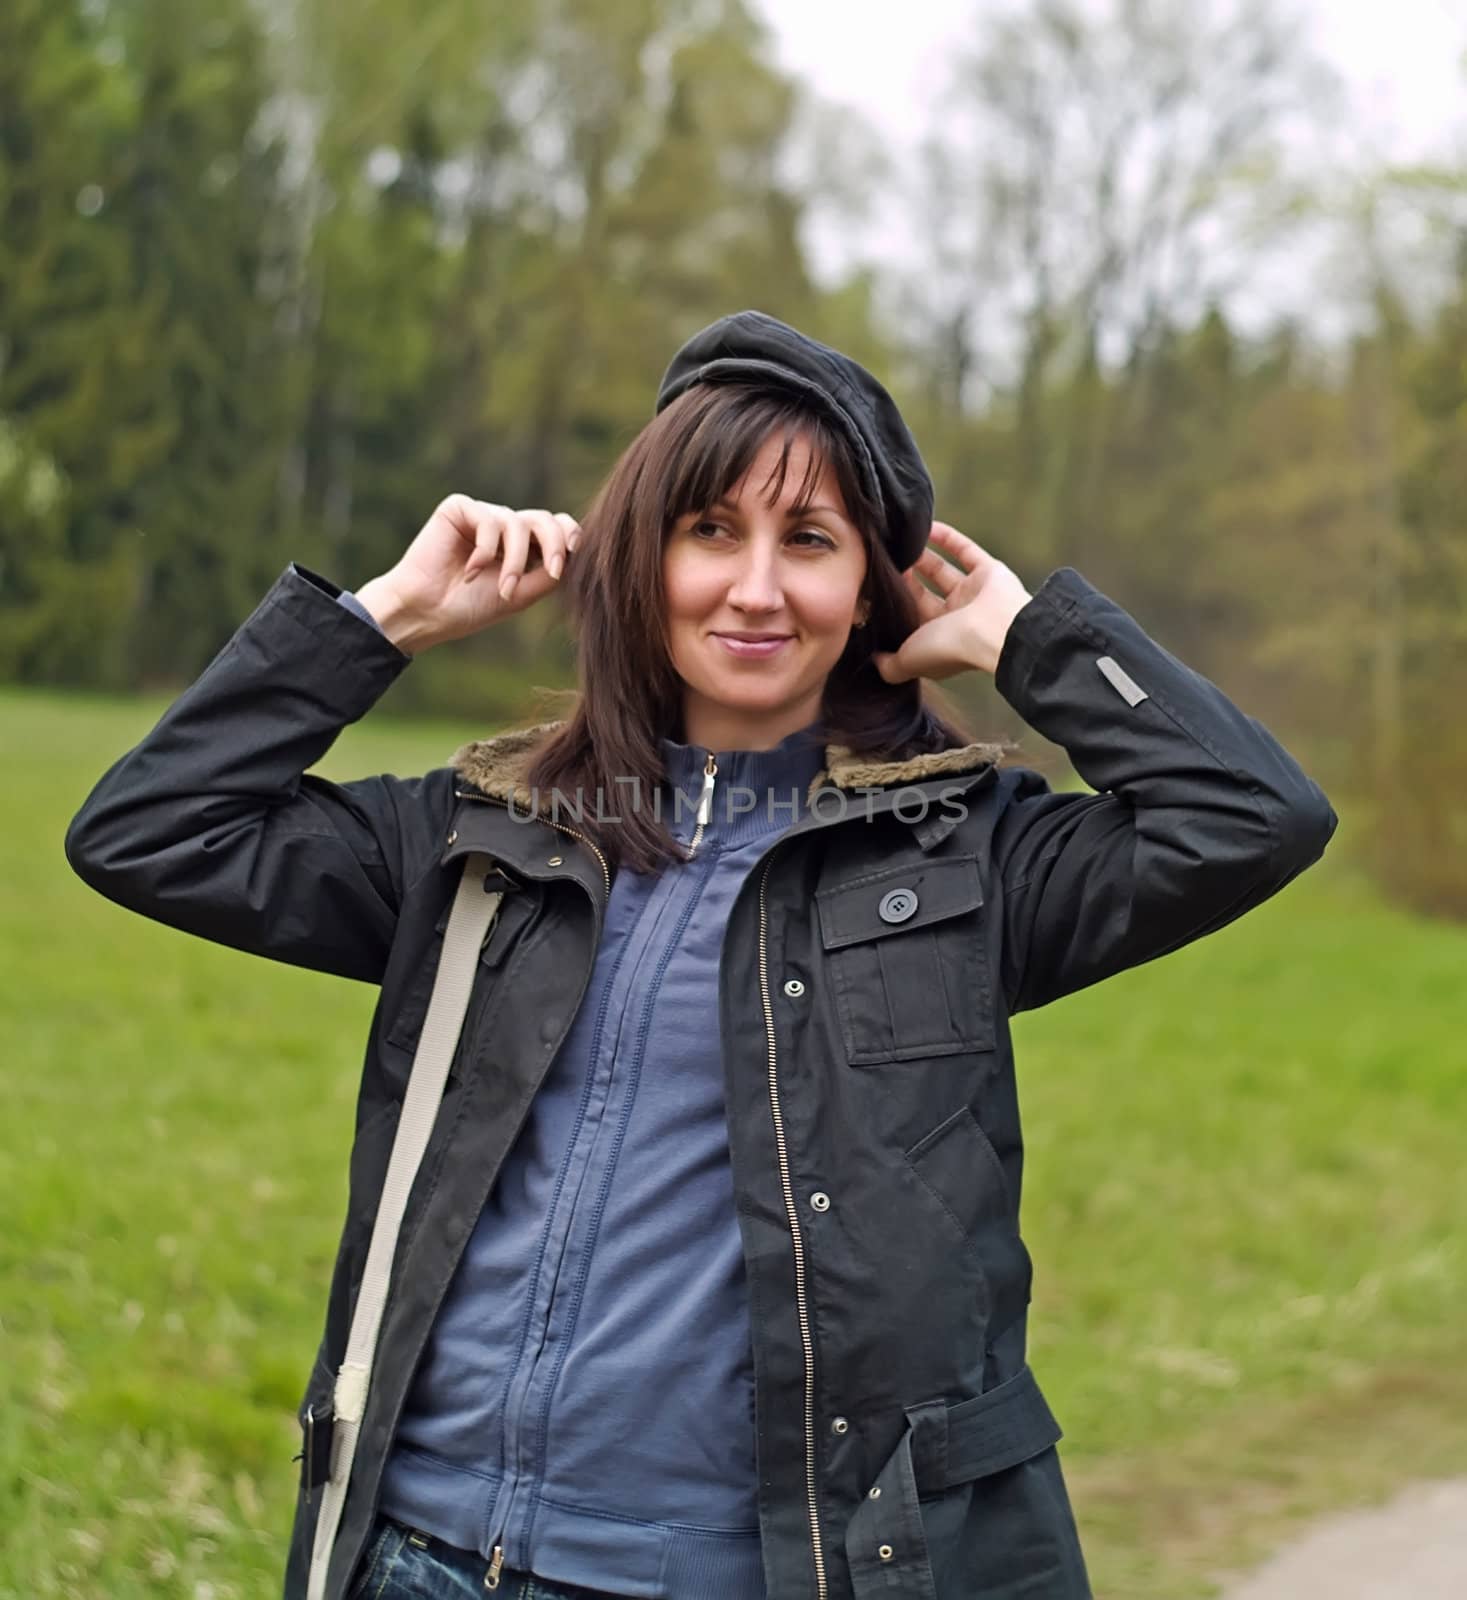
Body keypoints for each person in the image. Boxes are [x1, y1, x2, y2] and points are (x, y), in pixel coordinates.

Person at [63, 309, 1337, 1600]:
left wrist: (1031, 646)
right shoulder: (479, 837)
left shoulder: (965, 861)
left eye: (812, 542)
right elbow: (148, 830)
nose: (757, 588)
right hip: (418, 1556)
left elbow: (1254, 815)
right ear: (643, 554)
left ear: (868, 592)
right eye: (711, 529)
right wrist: (383, 619)